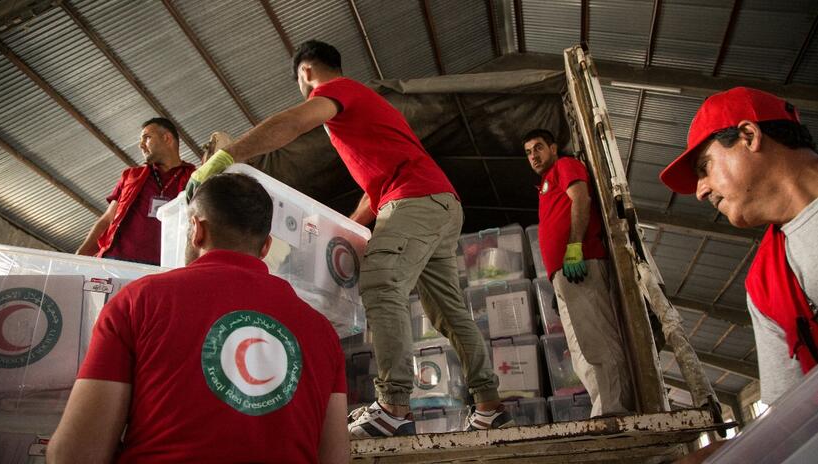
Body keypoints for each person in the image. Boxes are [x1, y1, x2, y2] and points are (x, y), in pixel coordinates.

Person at [186, 40, 508, 437]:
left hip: (416, 200)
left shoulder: (335, 91)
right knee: (448, 312)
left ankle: (393, 407)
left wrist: (228, 156)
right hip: (438, 203)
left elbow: (291, 124)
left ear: (305, 73)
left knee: (381, 282)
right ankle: (490, 405)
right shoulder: (369, 112)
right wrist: (348, 227)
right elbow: (375, 191)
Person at [48, 173, 349, 463]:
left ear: (196, 230)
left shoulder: (137, 302)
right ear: (266, 246)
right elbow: (336, 458)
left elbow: (74, 454)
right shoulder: (323, 332)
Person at [659, 87, 818, 405]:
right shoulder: (765, 287)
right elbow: (792, 421)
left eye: (704, 168)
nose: (701, 191)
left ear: (748, 135)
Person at [523, 129, 633, 417]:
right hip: (563, 276)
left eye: (538, 148)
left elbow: (580, 199)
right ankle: (602, 408)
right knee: (582, 352)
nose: (533, 156)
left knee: (599, 341)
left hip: (580, 265)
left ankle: (616, 409)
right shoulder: (545, 184)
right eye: (528, 152)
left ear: (554, 147)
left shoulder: (565, 166)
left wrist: (574, 248)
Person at [76, 118, 195, 265]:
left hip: (164, 267)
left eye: (147, 138)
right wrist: (79, 256)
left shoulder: (194, 177)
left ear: (167, 138)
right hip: (116, 260)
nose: (141, 145)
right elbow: (108, 219)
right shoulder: (131, 175)